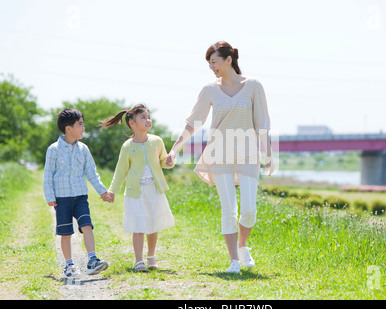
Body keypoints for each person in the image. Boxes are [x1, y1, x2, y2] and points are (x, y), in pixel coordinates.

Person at [165, 41, 274, 274]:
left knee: (249, 210)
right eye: (209, 63)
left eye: (214, 62)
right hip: (220, 154)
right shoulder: (209, 89)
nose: (211, 67)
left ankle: (243, 246)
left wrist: (269, 154)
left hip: (248, 153)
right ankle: (234, 260)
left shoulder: (254, 86)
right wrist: (175, 149)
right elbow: (194, 122)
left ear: (228, 59)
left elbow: (262, 123)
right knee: (228, 209)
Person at [101, 103, 175, 272]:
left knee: (153, 225)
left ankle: (151, 257)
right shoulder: (127, 146)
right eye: (143, 117)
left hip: (154, 189)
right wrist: (112, 190)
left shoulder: (157, 141)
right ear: (132, 124)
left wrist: (169, 162)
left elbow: (164, 161)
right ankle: (138, 260)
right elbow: (120, 171)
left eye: (148, 117)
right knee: (139, 226)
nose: (148, 120)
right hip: (136, 192)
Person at [43, 108, 111, 280]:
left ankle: (92, 260)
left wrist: (102, 191)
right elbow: (48, 175)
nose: (83, 128)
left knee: (87, 225)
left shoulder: (83, 149)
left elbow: (91, 173)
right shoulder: (54, 149)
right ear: (68, 128)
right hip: (62, 198)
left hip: (81, 197)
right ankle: (69, 264)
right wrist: (50, 196)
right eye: (80, 125)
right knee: (66, 233)